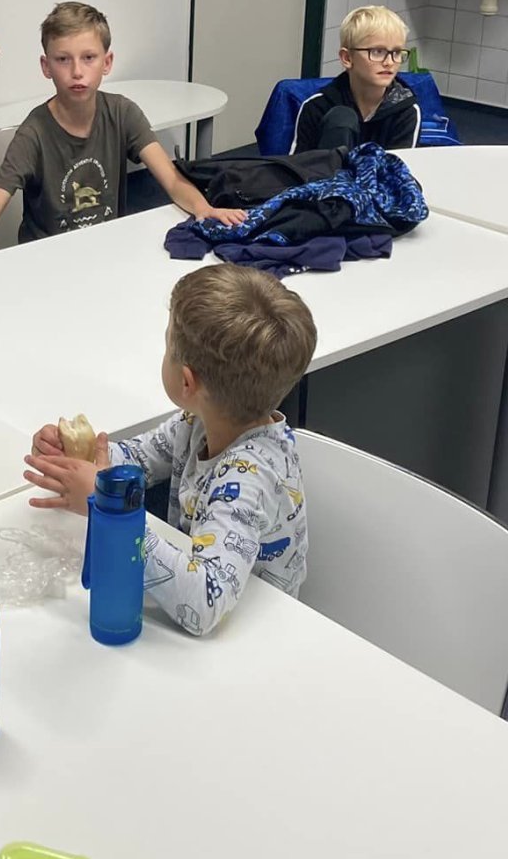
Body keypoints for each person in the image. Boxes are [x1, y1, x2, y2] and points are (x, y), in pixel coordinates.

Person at [21, 265, 317, 637]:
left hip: (258, 641)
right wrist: (77, 457)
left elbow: (204, 603)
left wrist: (110, 508)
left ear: (187, 382)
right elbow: (137, 459)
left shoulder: (248, 480)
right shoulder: (199, 422)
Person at [0, 2, 244, 260]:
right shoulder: (33, 132)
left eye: (88, 57)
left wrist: (203, 207)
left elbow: (171, 179)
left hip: (107, 250)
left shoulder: (122, 112)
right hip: (48, 260)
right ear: (46, 66)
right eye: (63, 59)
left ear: (107, 62)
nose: (77, 71)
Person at [290, 5, 421, 153]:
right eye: (377, 52)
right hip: (324, 168)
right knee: (341, 118)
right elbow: (298, 164)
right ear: (347, 58)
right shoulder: (316, 107)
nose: (389, 62)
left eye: (396, 53)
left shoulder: (406, 111)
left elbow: (399, 166)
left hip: (379, 170)